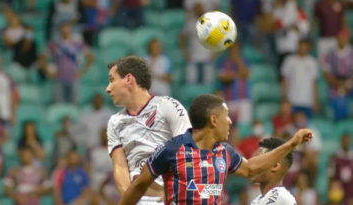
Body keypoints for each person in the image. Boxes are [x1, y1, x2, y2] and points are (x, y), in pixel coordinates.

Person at [119, 94, 312, 204]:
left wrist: (292, 144)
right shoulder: (172, 150)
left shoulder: (225, 152)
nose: (230, 121)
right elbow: (138, 185)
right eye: (226, 116)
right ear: (213, 120)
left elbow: (251, 169)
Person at [106, 56, 192, 203]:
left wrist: (176, 194)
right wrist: (130, 200)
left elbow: (190, 153)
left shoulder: (167, 106)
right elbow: (120, 167)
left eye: (112, 80)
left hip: (171, 198)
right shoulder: (115, 122)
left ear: (128, 79)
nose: (107, 89)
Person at [250, 137, 297, 204]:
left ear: (275, 166)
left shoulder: (280, 198)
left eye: (258, 160)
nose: (251, 165)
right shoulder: (257, 200)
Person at [281, 38, 319, 118]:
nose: (303, 48)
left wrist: (315, 100)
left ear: (308, 48)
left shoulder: (312, 62)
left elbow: (314, 83)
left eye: (305, 46)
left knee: (306, 128)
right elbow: (284, 80)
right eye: (301, 46)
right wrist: (284, 97)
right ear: (297, 46)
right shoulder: (289, 60)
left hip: (307, 101)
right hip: (292, 100)